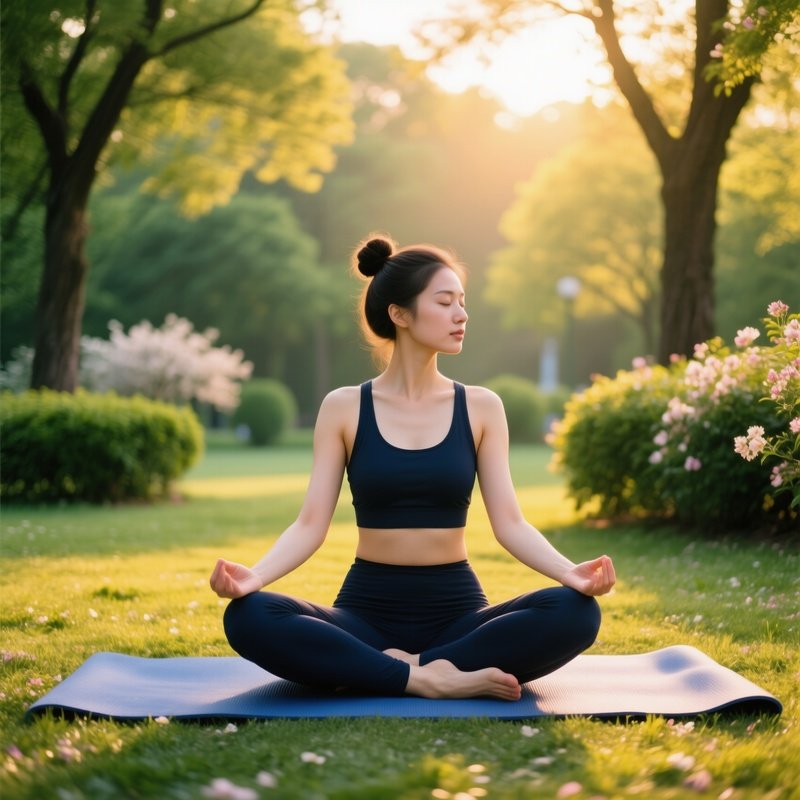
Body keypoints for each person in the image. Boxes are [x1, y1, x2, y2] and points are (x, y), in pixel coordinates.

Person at [210, 235, 616, 701]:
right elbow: (309, 525)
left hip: (458, 617)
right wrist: (254, 578)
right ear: (399, 314)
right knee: (248, 615)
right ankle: (428, 679)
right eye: (445, 302)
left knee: (577, 612)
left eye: (462, 302)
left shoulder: (482, 407)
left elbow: (510, 524)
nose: (461, 315)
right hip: (364, 615)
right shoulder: (344, 407)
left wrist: (572, 574)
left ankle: (392, 671)